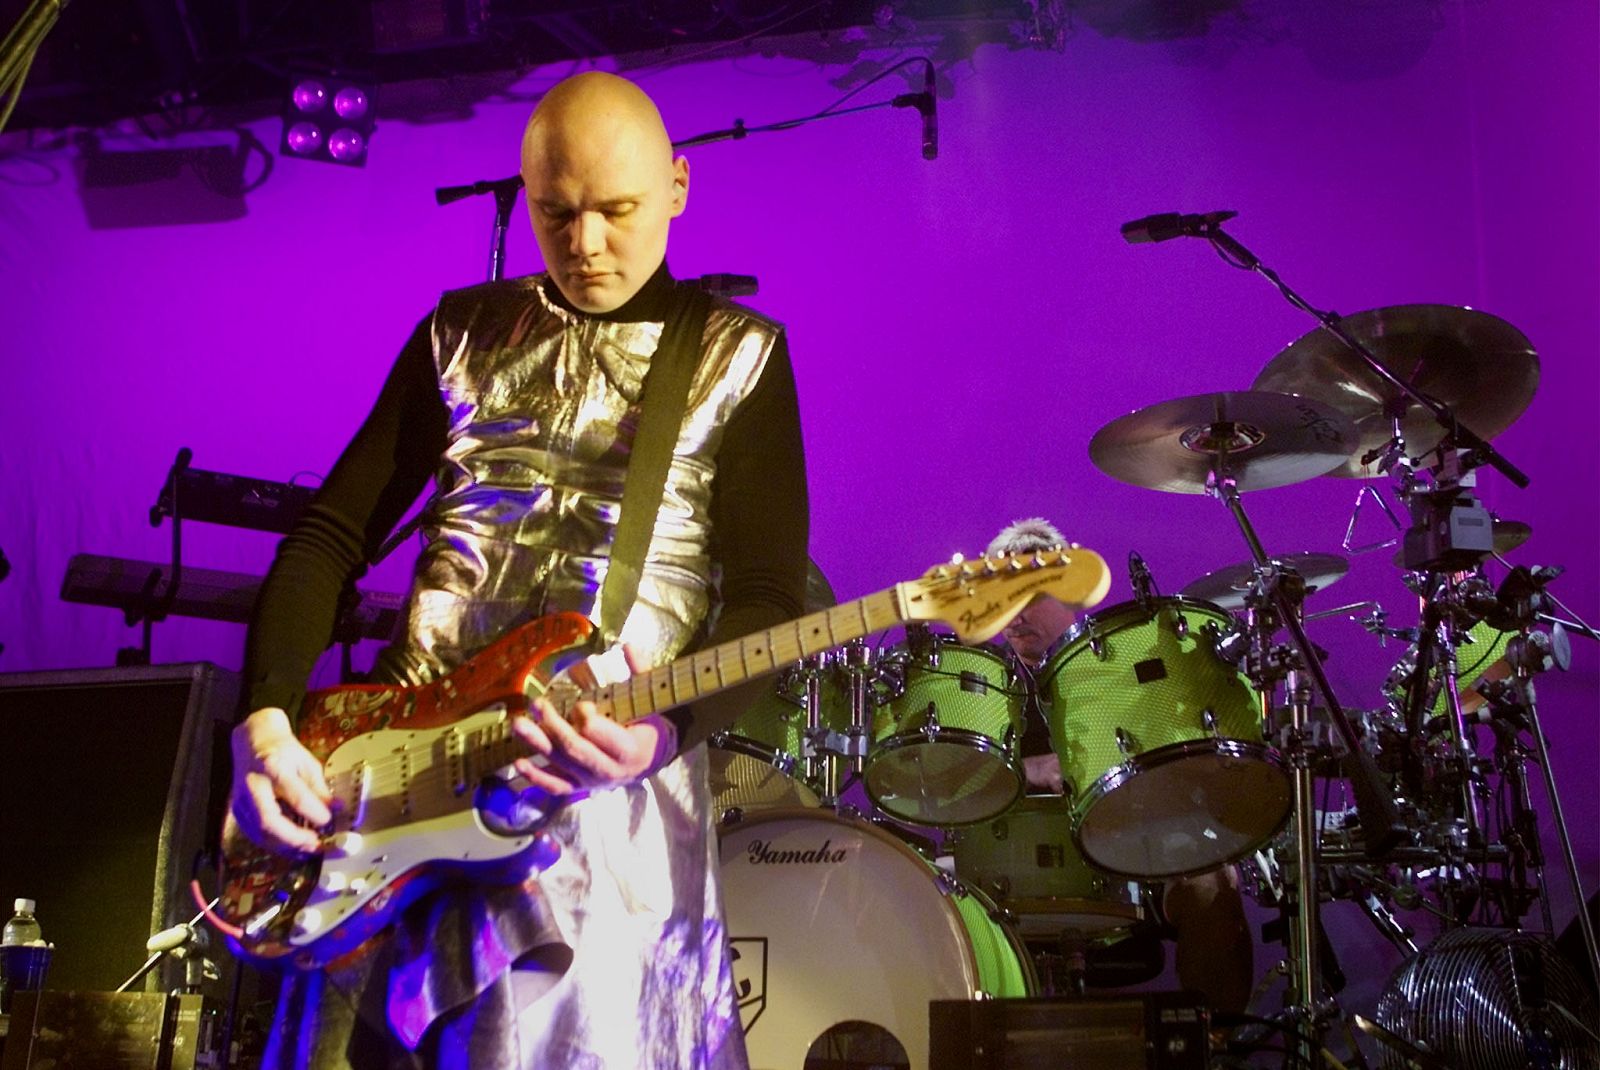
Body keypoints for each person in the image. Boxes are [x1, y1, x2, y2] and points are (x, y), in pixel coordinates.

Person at [228, 71, 808, 1067]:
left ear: (677, 186)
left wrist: (664, 733)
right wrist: (265, 719)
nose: (584, 244)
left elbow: (763, 596)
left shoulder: (739, 355)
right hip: (393, 792)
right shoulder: (457, 333)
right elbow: (330, 536)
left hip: (600, 808)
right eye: (555, 212)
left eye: (616, 210)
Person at [986, 518, 1255, 1014]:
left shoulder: (1120, 658)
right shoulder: (980, 676)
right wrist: (1031, 770)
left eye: (1030, 598)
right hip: (1010, 863)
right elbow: (946, 776)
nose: (1015, 616)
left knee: (1212, 884)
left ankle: (1216, 1041)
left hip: (1134, 844)